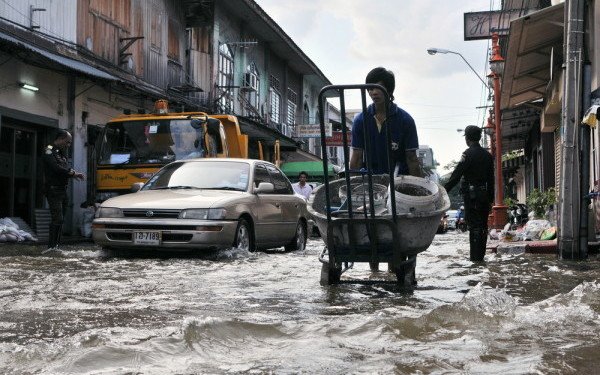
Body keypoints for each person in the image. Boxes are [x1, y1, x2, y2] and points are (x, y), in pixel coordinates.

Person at [349, 67, 420, 287]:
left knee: (396, 231)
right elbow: (356, 157)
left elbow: (412, 160)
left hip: (399, 183)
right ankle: (374, 274)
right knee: (371, 229)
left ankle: (395, 269)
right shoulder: (361, 120)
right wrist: (350, 183)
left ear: (388, 90)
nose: (373, 92)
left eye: (378, 87)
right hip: (370, 182)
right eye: (370, 87)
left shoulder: (405, 120)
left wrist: (417, 190)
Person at [444, 125, 494, 261]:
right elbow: (491, 180)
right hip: (484, 196)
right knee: (483, 226)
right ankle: (480, 257)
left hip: (472, 197)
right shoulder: (488, 156)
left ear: (467, 138)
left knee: (474, 227)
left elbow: (456, 175)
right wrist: (491, 199)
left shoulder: (467, 154)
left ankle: (475, 259)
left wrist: (443, 190)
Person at [42, 130, 85, 253]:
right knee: (57, 218)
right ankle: (51, 247)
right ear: (60, 139)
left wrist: (73, 174)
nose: (68, 145)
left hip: (62, 190)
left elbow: (65, 167)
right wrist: (72, 173)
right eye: (67, 142)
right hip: (53, 190)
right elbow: (55, 168)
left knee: (61, 219)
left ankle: (56, 246)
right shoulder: (48, 149)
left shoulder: (61, 153)